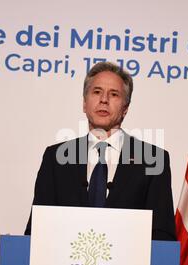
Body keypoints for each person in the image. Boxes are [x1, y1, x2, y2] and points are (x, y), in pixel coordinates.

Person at [24, 62, 176, 241]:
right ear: (84, 103)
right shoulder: (56, 157)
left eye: (114, 94)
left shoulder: (153, 159)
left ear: (125, 108)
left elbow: (162, 235)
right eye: (96, 92)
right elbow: (37, 229)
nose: (104, 99)